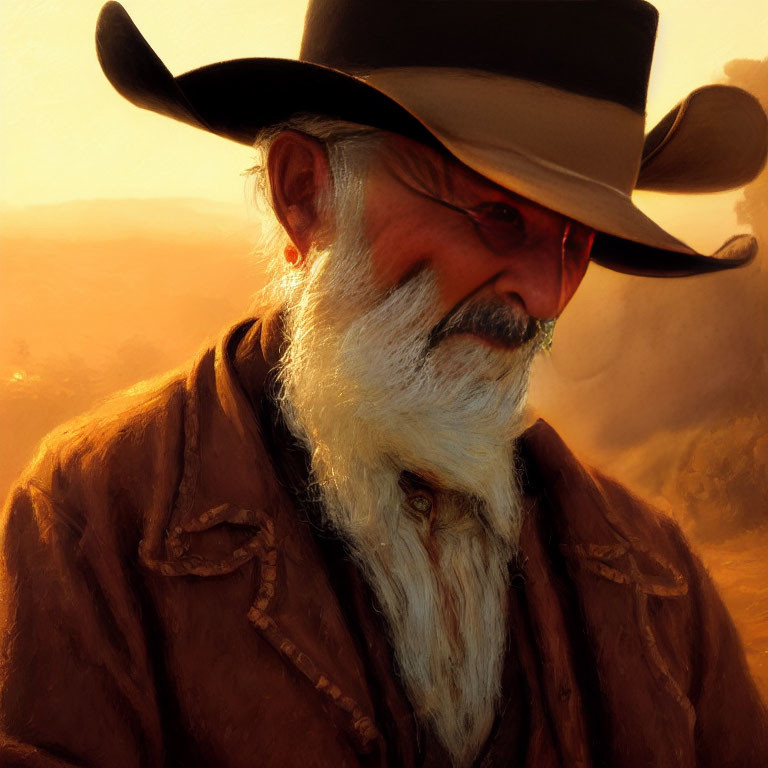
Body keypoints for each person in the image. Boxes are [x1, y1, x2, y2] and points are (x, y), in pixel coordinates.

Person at [1, 1, 767, 766]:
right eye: (499, 217)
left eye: (577, 242)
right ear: (304, 192)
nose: (542, 296)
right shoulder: (93, 524)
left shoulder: (658, 581)